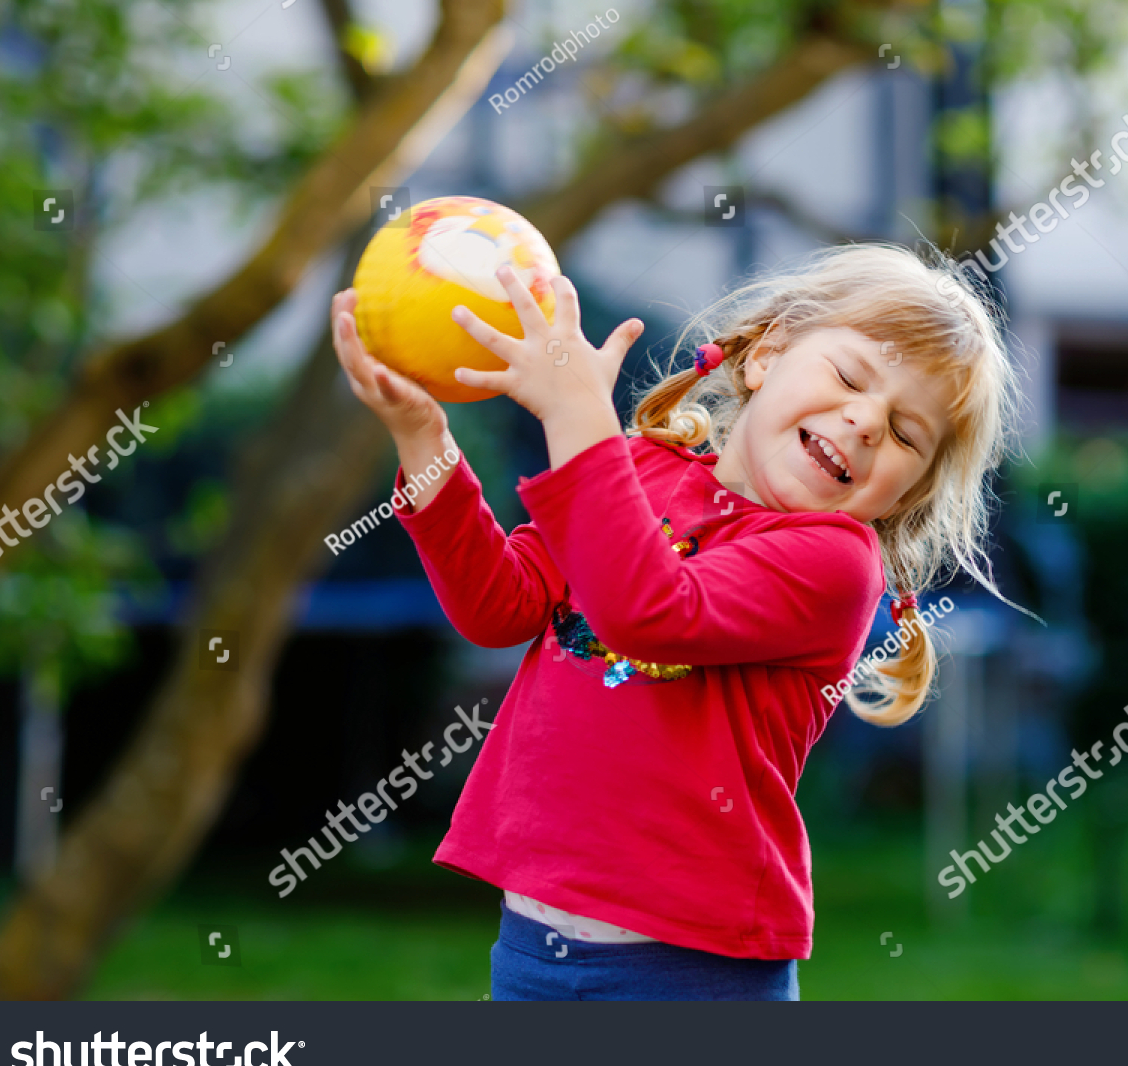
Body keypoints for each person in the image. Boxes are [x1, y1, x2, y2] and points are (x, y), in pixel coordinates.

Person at [328, 242, 1024, 1000]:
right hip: (533, 947)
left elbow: (648, 610)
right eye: (851, 376)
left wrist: (577, 416)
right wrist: (424, 439)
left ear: (902, 497)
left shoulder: (832, 563)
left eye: (904, 434)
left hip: (690, 973)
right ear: (766, 354)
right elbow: (502, 605)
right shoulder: (630, 469)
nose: (863, 421)